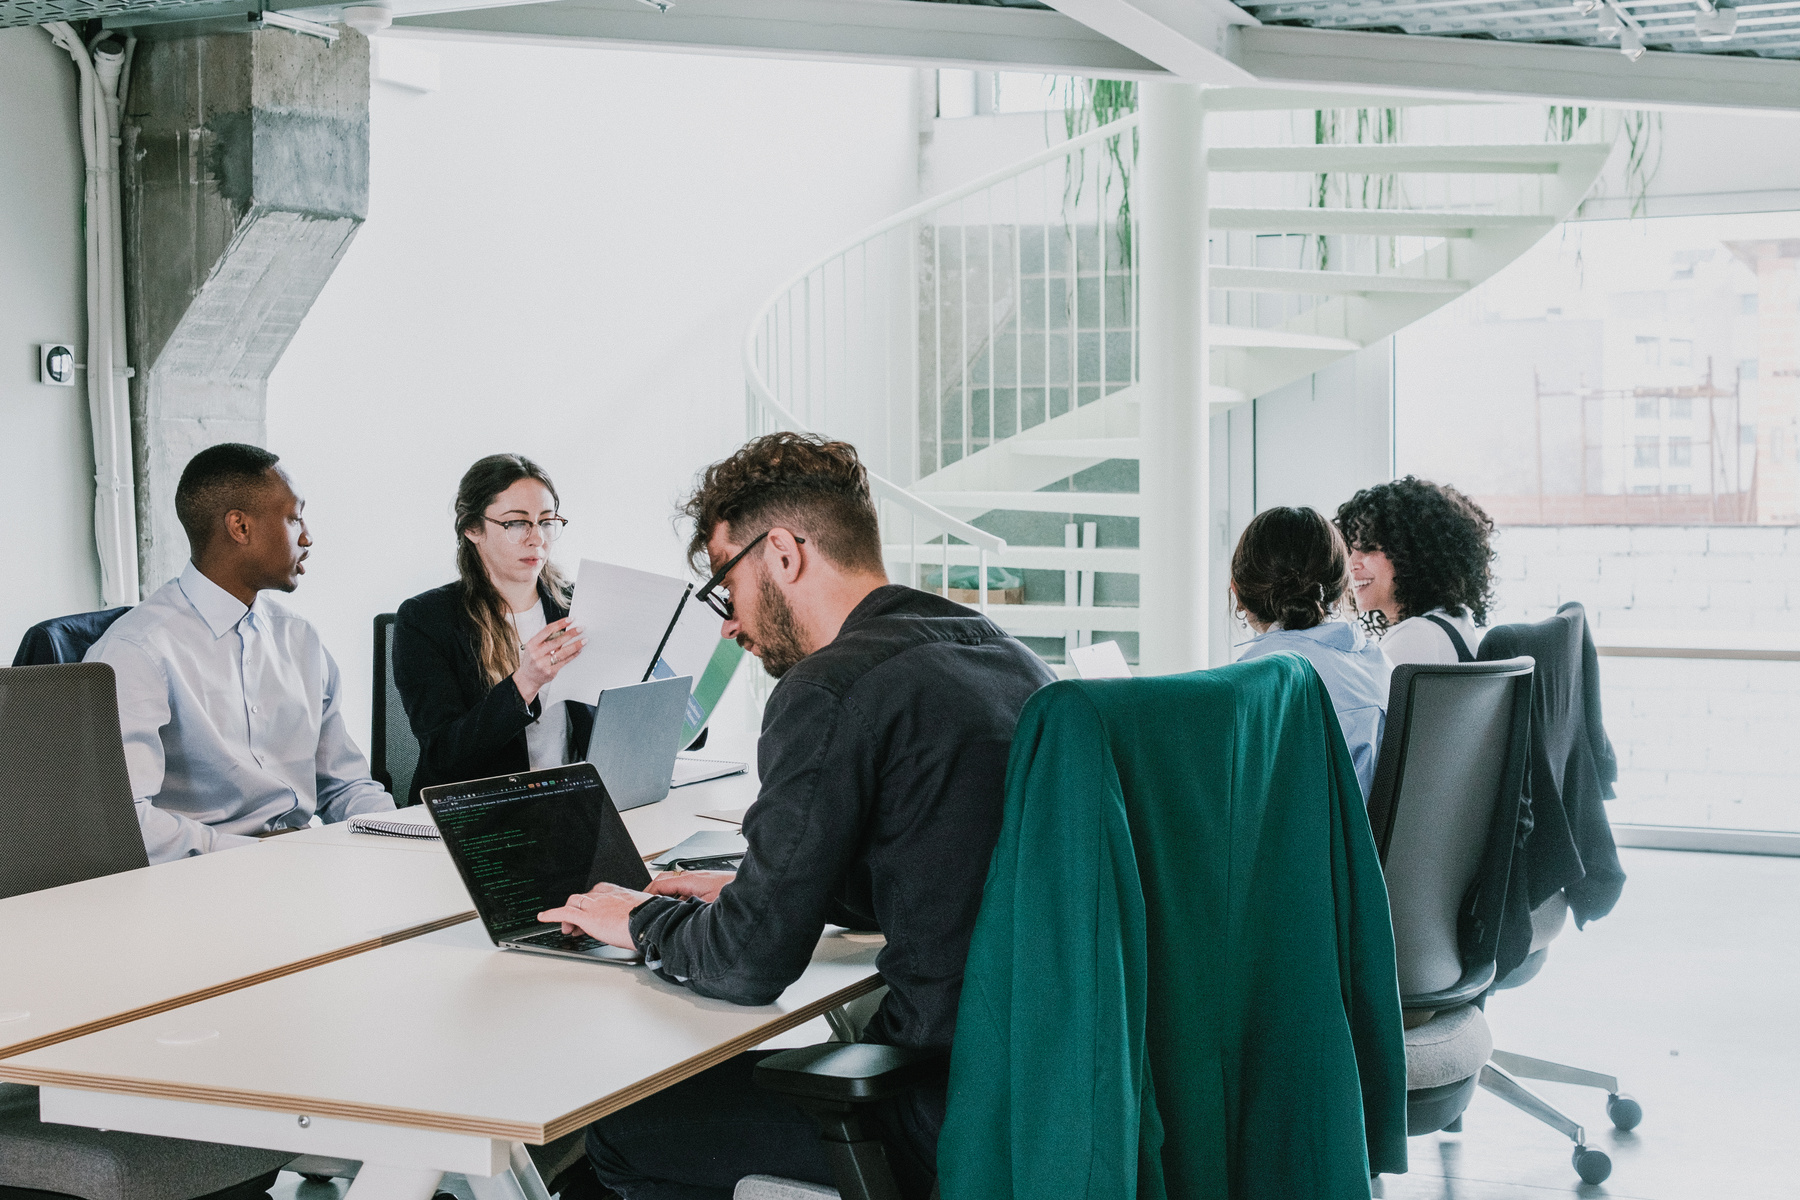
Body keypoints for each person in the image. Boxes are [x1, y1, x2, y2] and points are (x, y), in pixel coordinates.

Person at [536, 432, 1054, 1200]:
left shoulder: (830, 688)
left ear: (781, 553)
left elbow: (747, 966)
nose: (728, 624)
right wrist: (752, 889)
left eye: (724, 587)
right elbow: (953, 865)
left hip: (937, 1112)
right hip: (1040, 1096)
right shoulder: (1003, 656)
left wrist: (637, 921)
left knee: (622, 1129)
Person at [86, 443, 393, 864]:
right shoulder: (137, 651)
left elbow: (342, 785)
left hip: (303, 870)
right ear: (240, 527)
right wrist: (253, 854)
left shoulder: (300, 639)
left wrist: (407, 835)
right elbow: (123, 821)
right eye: (293, 517)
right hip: (199, 883)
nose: (307, 536)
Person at [392, 455, 591, 804]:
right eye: (516, 524)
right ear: (472, 528)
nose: (537, 539)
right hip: (479, 816)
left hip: (571, 806)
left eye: (546, 522)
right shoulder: (425, 619)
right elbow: (444, 757)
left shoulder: (580, 604)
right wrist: (524, 682)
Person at [1230, 506, 1393, 803]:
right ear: (1342, 587)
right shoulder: (1377, 661)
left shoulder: (1260, 676)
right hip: (1369, 846)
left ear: (1237, 593)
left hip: (1310, 846)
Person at [1335, 476, 1498, 666]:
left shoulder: (1416, 637)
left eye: (1368, 548)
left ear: (1413, 554)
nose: (1351, 563)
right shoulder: (1452, 622)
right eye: (1349, 549)